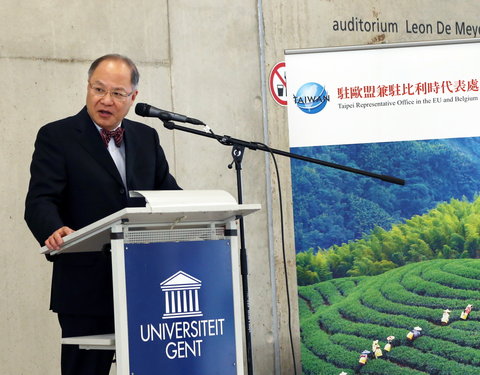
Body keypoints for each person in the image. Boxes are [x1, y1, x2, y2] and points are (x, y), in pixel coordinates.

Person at [25, 54, 180, 375]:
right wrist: (54, 229)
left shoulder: (146, 137)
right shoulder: (57, 137)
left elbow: (168, 194)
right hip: (85, 284)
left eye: (117, 93)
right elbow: (40, 200)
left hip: (145, 280)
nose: (105, 100)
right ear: (87, 87)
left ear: (133, 97)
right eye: (99, 89)